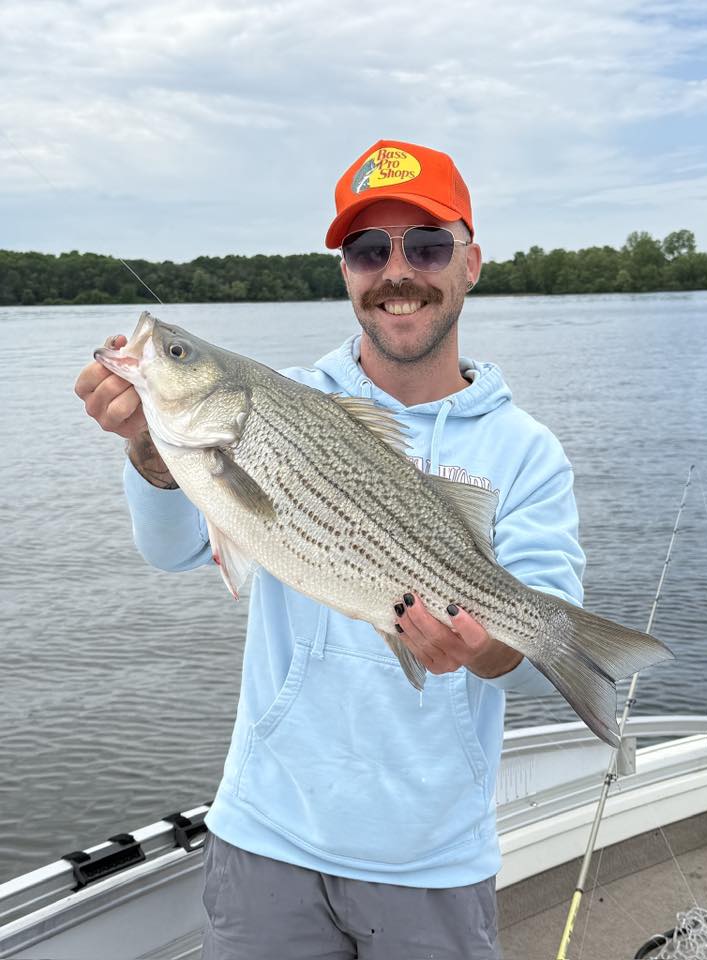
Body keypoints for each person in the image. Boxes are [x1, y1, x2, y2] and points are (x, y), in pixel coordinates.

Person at [75, 139, 585, 960]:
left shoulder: (527, 451)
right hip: (266, 833)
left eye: (425, 245)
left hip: (432, 857)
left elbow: (514, 653)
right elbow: (174, 551)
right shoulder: (283, 400)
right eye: (367, 249)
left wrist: (483, 644)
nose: (396, 271)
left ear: (472, 262)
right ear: (347, 272)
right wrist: (147, 449)